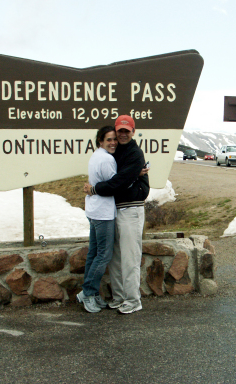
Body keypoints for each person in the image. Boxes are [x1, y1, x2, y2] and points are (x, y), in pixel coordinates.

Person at [84, 115, 149, 315]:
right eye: (119, 131)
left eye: (125, 131)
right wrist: (132, 174)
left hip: (131, 209)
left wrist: (94, 189)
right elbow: (119, 176)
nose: (121, 135)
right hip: (115, 209)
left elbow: (118, 182)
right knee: (115, 258)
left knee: (130, 257)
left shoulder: (135, 154)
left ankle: (132, 300)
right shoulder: (114, 152)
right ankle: (119, 297)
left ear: (133, 132)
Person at [77, 125, 118, 313]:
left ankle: (90, 294)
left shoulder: (96, 156)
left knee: (93, 254)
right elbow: (113, 186)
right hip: (103, 213)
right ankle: (88, 293)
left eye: (114, 139)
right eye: (108, 139)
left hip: (94, 210)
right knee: (103, 255)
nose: (113, 142)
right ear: (100, 141)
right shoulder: (107, 159)